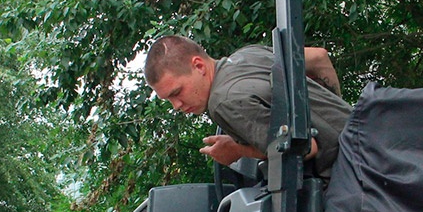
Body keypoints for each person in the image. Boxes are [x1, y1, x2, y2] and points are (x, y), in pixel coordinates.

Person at [143, 35, 350, 178]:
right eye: (168, 100)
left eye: (177, 93)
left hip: (357, 174)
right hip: (369, 136)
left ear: (198, 66)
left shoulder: (223, 102)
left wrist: (237, 149)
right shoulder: (249, 55)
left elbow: (305, 148)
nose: (176, 105)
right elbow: (319, 57)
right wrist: (336, 113)